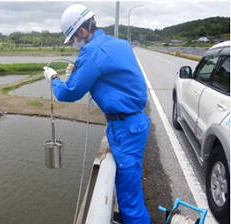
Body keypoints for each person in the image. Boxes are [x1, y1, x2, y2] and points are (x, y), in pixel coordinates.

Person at [43, 4, 151, 224]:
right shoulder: (119, 44)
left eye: (73, 38)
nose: (75, 43)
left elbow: (68, 92)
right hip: (133, 123)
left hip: (125, 128)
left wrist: (53, 78)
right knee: (128, 184)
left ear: (82, 32)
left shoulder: (92, 52)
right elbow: (112, 75)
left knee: (129, 193)